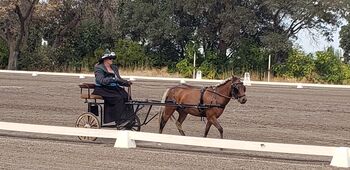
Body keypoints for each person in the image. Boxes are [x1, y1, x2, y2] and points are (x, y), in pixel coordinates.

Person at [92, 49, 134, 129]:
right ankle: (119, 120)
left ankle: (129, 118)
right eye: (110, 58)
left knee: (127, 97)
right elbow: (101, 81)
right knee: (118, 98)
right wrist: (112, 79)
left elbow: (119, 79)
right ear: (105, 59)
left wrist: (126, 82)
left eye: (112, 58)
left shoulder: (114, 68)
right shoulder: (99, 68)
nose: (112, 60)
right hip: (103, 89)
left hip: (114, 88)